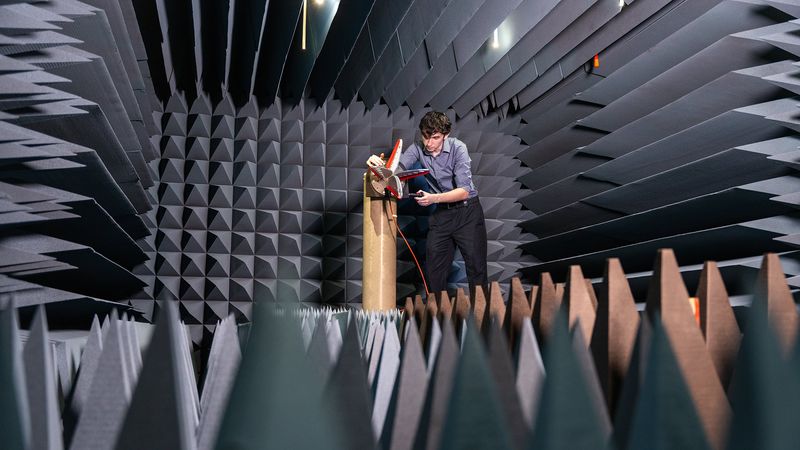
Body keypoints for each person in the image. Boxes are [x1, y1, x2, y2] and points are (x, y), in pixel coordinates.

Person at [368, 111, 488, 295]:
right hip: (442, 215)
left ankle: (481, 321)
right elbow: (396, 172)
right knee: (434, 271)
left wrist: (433, 198)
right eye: (426, 136)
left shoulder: (459, 148)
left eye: (436, 138)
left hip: (468, 213)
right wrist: (378, 166)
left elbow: (464, 191)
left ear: (446, 135)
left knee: (476, 269)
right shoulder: (417, 148)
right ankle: (437, 319)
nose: (429, 143)